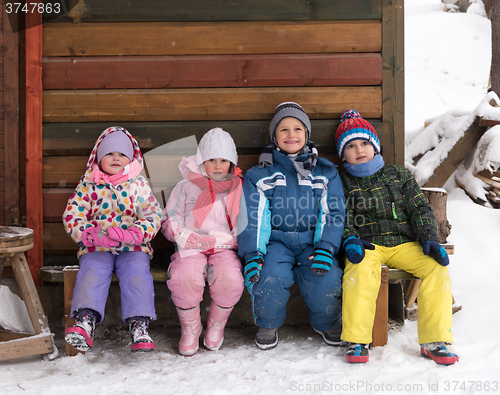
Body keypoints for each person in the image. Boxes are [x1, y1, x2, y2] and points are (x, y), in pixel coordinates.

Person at [335, 109, 459, 365]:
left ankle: (436, 340)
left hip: (404, 243)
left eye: (365, 143)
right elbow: (339, 215)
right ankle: (357, 339)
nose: (360, 149)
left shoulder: (399, 175)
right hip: (367, 245)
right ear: (342, 153)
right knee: (358, 270)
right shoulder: (341, 181)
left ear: (375, 146)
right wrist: (350, 239)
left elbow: (419, 208)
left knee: (436, 267)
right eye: (351, 146)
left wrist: (429, 238)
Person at [237, 102, 345, 350]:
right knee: (268, 276)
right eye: (283, 129)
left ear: (306, 134)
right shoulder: (260, 175)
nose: (291, 134)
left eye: (297, 128)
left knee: (326, 278)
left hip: (312, 242)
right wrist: (254, 253)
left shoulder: (325, 173)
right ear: (274, 136)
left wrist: (326, 248)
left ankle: (327, 322)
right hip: (276, 242)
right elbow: (254, 216)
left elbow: (333, 211)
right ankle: (267, 323)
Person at [62, 126, 162, 353]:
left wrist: (137, 232)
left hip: (133, 247)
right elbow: (73, 212)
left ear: (131, 159)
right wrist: (87, 233)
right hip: (97, 245)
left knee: (137, 275)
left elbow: (153, 213)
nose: (115, 157)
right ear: (98, 157)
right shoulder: (89, 184)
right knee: (92, 272)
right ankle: (85, 322)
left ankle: (139, 325)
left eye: (121, 154)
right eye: (109, 153)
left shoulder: (139, 184)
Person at [161, 128, 244, 356]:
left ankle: (216, 324)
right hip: (191, 245)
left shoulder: (237, 190)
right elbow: (171, 218)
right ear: (201, 161)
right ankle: (190, 327)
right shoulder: (186, 187)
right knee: (185, 277)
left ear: (232, 162)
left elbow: (243, 223)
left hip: (224, 247)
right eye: (211, 160)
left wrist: (228, 240)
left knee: (230, 278)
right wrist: (184, 236)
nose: (218, 166)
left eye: (224, 160)